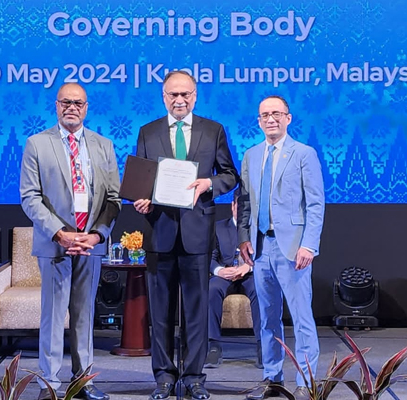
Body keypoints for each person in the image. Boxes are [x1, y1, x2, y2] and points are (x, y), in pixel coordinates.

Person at [134, 70, 238, 400]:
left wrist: (209, 184)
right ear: (164, 97)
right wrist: (140, 199)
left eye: (185, 94)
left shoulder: (213, 130)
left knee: (196, 312)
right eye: (173, 95)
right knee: (160, 313)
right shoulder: (148, 132)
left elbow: (230, 175)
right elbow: (140, 180)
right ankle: (164, 377)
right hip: (159, 231)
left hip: (197, 233)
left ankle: (194, 377)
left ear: (195, 96)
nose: (179, 100)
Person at [20, 83, 120, 400]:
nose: (71, 107)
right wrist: (60, 233)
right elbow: (29, 197)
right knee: (53, 316)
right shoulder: (37, 144)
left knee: (84, 315)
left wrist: (96, 235)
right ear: (56, 105)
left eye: (78, 103)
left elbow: (114, 199)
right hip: (55, 244)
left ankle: (83, 382)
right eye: (66, 102)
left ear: (86, 107)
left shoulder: (104, 145)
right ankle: (49, 384)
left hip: (91, 244)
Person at [237, 95, 325, 400]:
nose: (270, 119)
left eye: (276, 113)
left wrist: (309, 245)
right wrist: (243, 238)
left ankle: (306, 382)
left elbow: (315, 203)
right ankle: (272, 377)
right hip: (261, 247)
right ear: (258, 121)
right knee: (267, 318)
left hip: (293, 248)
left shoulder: (304, 154)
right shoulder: (251, 155)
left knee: (301, 318)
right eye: (265, 115)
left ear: (288, 118)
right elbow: (245, 201)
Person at [205, 189, 262, 370]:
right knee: (211, 289)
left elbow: (265, 256)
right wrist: (220, 270)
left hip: (250, 274)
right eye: (240, 207)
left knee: (261, 290)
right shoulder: (218, 227)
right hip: (225, 274)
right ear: (233, 206)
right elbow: (210, 257)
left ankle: (263, 346)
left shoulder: (258, 229)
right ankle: (213, 346)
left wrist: (249, 267)